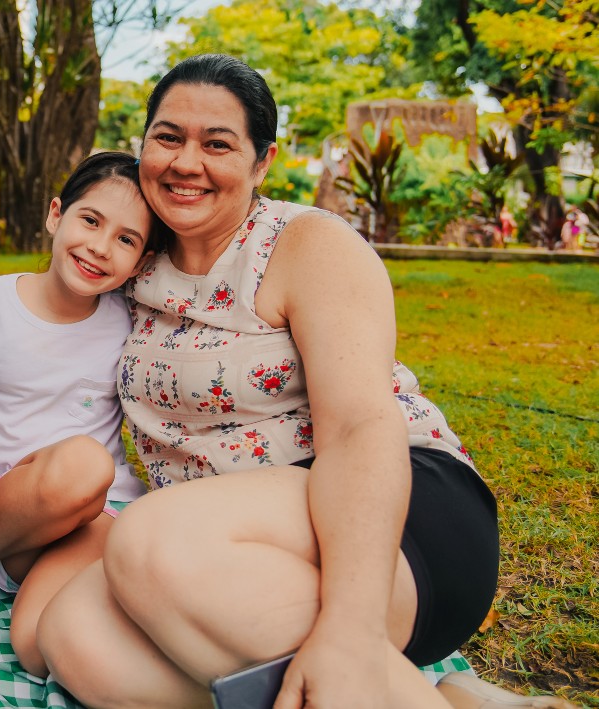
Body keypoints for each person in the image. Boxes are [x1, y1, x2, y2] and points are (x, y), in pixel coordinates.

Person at [35, 54, 578, 709]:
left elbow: (358, 425)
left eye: (217, 144)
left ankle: (366, 667)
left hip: (390, 515)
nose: (185, 161)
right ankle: (430, 696)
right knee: (74, 635)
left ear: (262, 162)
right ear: (142, 144)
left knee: (149, 540)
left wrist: (349, 626)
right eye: (167, 136)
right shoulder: (130, 257)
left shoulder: (304, 245)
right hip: (227, 549)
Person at [0, 152, 161, 676]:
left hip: (98, 512)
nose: (99, 247)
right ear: (55, 214)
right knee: (81, 464)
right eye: (90, 220)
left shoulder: (129, 324)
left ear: (142, 261)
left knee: (37, 646)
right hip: (7, 515)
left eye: (126, 240)